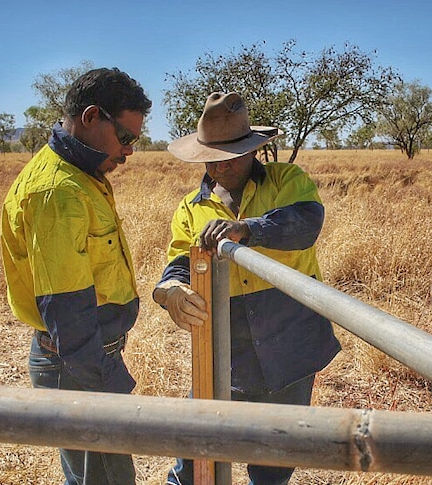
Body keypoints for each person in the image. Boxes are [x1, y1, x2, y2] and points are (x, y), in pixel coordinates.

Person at [153, 92, 341, 485]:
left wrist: (249, 229)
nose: (222, 167)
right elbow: (179, 264)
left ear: (253, 151)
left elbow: (305, 224)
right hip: (226, 348)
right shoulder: (191, 208)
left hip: (290, 342)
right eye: (214, 159)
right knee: (196, 452)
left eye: (233, 156)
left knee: (273, 463)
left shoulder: (288, 181)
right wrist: (169, 290)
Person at [0, 67, 152, 485]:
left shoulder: (82, 175)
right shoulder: (58, 192)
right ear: (91, 117)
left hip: (83, 358)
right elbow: (68, 314)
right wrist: (105, 379)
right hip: (78, 363)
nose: (129, 152)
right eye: (126, 138)